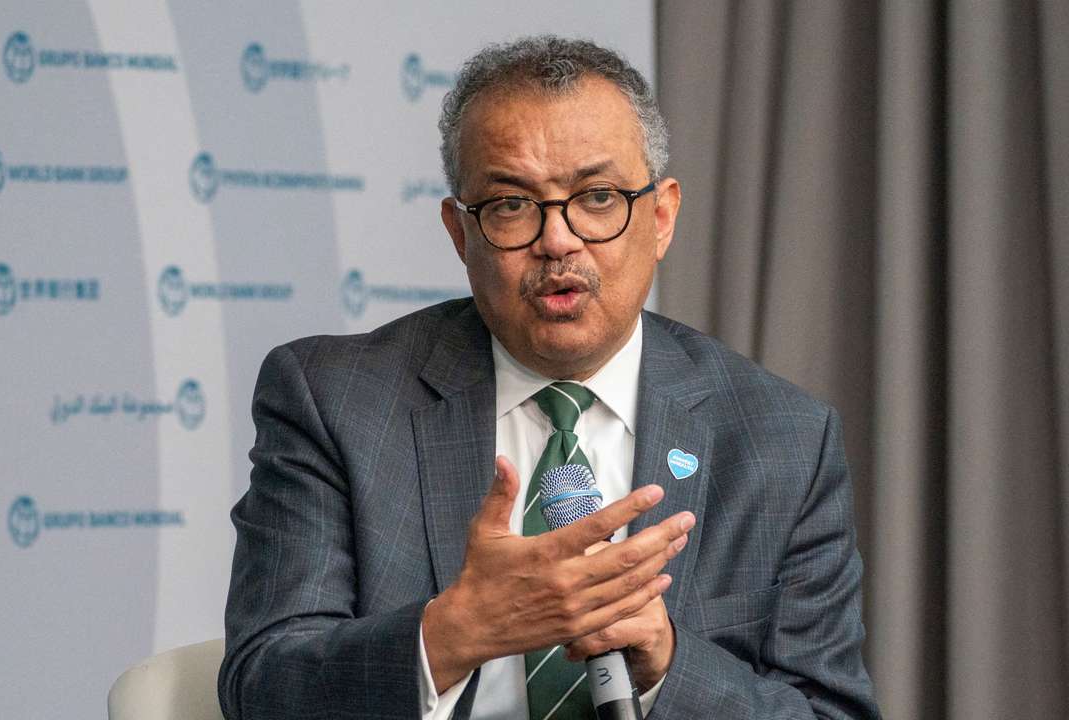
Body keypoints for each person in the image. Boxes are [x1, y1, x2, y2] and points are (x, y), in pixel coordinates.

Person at [219, 36, 879, 719]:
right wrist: (456, 632)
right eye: (510, 204)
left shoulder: (783, 439)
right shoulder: (337, 402)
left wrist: (667, 662)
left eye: (596, 197)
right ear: (459, 233)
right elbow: (264, 685)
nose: (557, 240)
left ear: (660, 217)